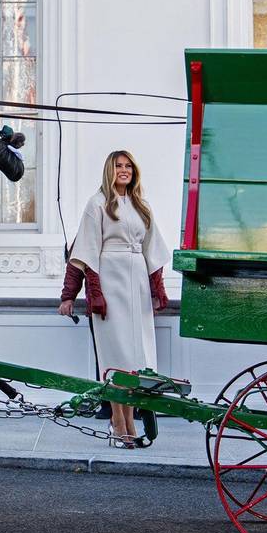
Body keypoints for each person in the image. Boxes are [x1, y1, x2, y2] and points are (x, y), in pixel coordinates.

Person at [58, 150, 170, 448]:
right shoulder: (97, 204)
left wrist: (158, 291)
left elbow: (153, 252)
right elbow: (83, 252)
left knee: (135, 359)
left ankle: (129, 422)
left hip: (137, 285)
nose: (124, 170)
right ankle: (118, 423)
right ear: (110, 170)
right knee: (116, 357)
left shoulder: (141, 206)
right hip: (110, 281)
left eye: (128, 166)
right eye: (118, 166)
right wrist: (69, 296)